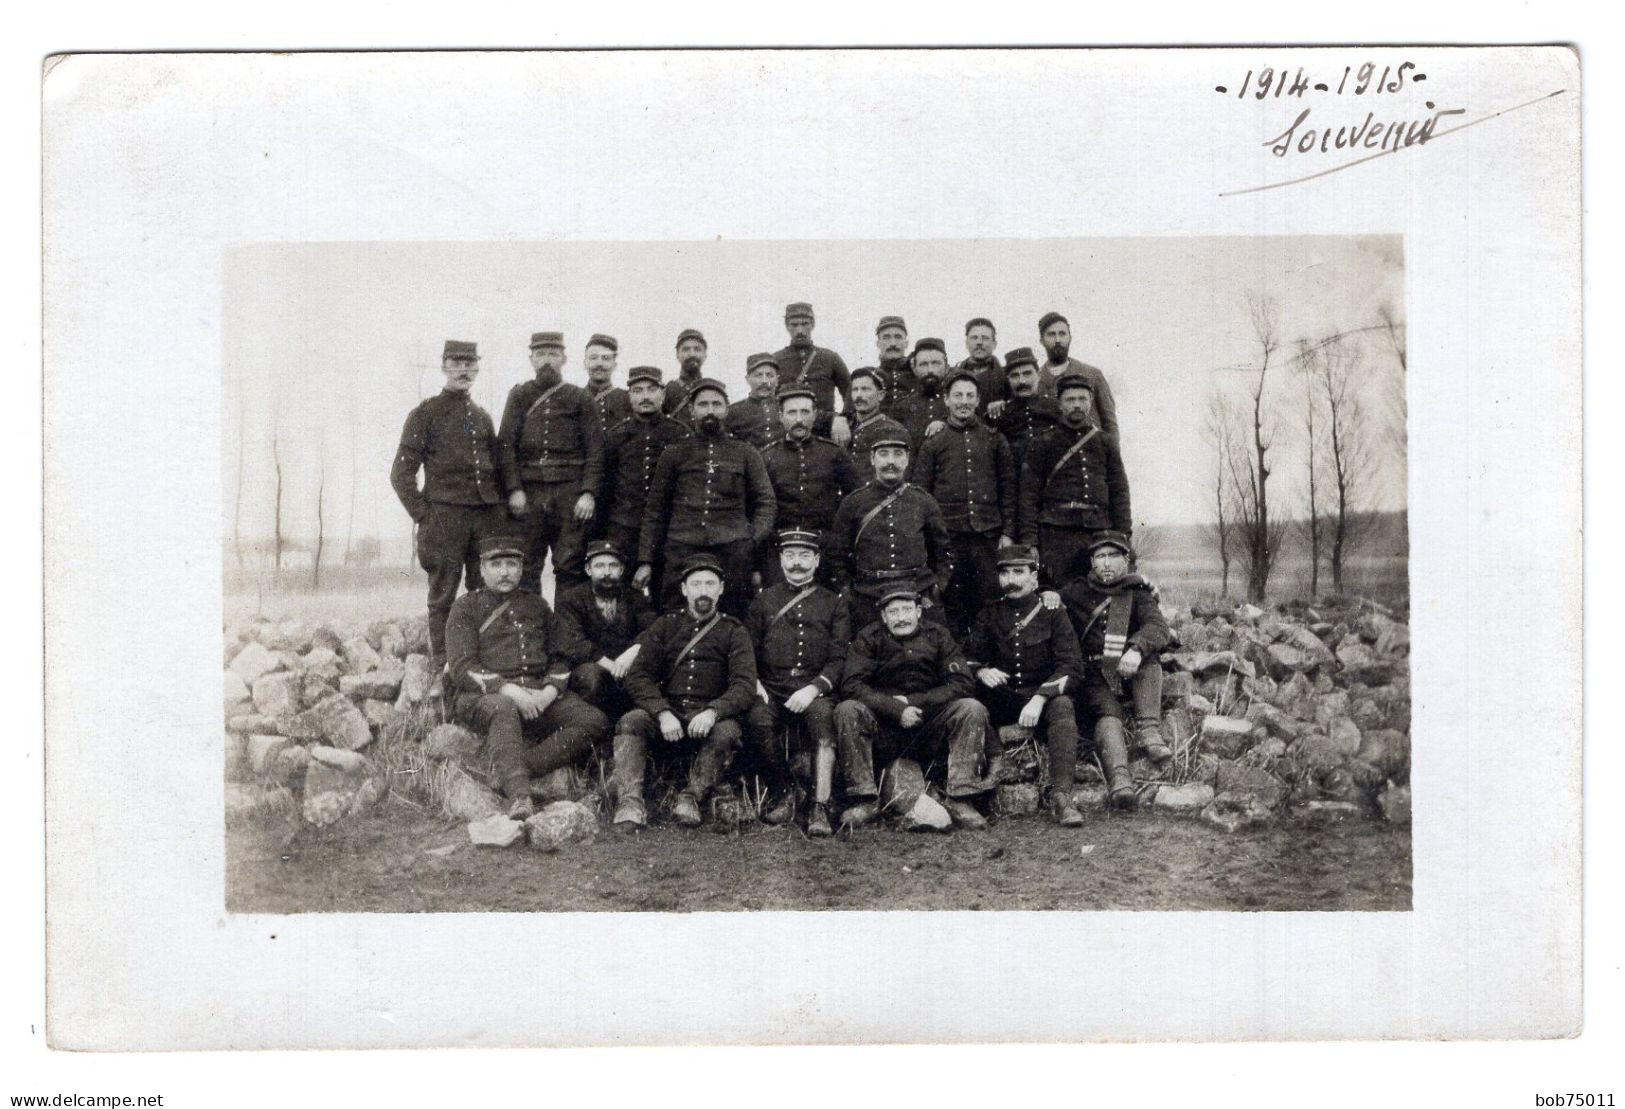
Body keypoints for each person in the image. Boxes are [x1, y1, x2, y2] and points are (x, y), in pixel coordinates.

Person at [445, 535, 611, 820]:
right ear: (482, 569)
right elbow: (462, 667)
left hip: (537, 693)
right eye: (496, 564)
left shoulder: (538, 606)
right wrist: (510, 690)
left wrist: (549, 691)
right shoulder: (466, 607)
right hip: (484, 697)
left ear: (522, 569)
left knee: (594, 721)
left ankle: (517, 769)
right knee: (503, 706)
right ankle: (520, 796)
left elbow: (561, 655)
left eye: (512, 564)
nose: (505, 571)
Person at [390, 340, 517, 665]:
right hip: (444, 517)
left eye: (470, 363)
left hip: (483, 519)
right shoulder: (426, 413)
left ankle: (482, 660)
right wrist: (424, 515)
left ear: (477, 367)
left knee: (484, 592)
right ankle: (442, 665)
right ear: (444, 366)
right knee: (443, 594)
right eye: (457, 362)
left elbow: (496, 470)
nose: (464, 369)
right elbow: (401, 474)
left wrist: (497, 512)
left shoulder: (482, 417)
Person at [611, 557, 759, 829]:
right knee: (632, 722)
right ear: (684, 590)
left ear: (721, 589)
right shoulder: (665, 626)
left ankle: (692, 796)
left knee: (728, 732)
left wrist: (714, 711)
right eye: (696, 584)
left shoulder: (734, 631)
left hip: (710, 719)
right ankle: (630, 802)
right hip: (669, 717)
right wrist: (662, 712)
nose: (703, 590)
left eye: (710, 584)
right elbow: (639, 675)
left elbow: (745, 685)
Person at [834, 588, 993, 830]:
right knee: (847, 709)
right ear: (884, 617)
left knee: (971, 708)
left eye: (907, 610)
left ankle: (961, 798)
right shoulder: (869, 638)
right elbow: (852, 684)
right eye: (893, 612)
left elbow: (962, 682)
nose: (901, 617)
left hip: (929, 725)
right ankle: (864, 799)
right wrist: (895, 709)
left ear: (918, 611)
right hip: (884, 729)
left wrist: (915, 703)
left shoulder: (938, 635)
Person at [962, 545, 1088, 826]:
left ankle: (1062, 798)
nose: (1011, 580)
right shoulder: (989, 615)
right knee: (971, 702)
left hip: (1039, 697)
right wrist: (982, 671)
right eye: (1004, 573)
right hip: (1003, 697)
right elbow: (966, 658)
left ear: (1034, 578)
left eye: (1019, 572)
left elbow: (1072, 666)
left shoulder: (1054, 613)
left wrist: (1041, 697)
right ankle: (976, 789)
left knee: (1063, 705)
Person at [742, 529, 851, 836]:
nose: (797, 563)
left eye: (804, 556)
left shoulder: (834, 603)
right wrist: (755, 684)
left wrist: (814, 688)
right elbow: (745, 651)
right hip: (772, 688)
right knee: (757, 719)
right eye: (789, 556)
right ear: (780, 559)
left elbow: (839, 659)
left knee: (822, 720)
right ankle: (786, 792)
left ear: (817, 560)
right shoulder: (764, 601)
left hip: (814, 688)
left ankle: (820, 805)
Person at [637, 378, 776, 616]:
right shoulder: (674, 453)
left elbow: (766, 502)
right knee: (675, 614)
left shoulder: (745, 453)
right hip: (682, 548)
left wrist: (750, 541)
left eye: (716, 404)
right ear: (691, 410)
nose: (710, 411)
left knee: (733, 614)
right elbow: (655, 509)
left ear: (726, 409)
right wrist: (645, 560)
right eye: (703, 405)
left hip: (732, 551)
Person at [1060, 532, 1172, 806]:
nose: (1107, 564)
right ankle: (1120, 782)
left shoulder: (1137, 593)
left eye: (1113, 556)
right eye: (1100, 557)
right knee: (1109, 715)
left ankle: (1149, 730)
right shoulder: (1075, 591)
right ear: (1092, 562)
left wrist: (1136, 649)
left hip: (1129, 669)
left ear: (1126, 561)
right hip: (1093, 675)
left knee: (1149, 659)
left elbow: (1158, 628)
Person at [912, 369, 1017, 635]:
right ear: (946, 400)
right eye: (957, 395)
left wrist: (1007, 533)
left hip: (987, 538)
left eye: (970, 395)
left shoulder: (994, 439)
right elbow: (921, 494)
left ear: (978, 399)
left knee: (989, 602)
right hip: (948, 539)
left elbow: (1008, 489)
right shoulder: (934, 442)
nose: (964, 401)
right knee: (951, 602)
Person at [497, 331, 603, 594]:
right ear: (531, 358)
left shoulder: (579, 397)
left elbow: (595, 449)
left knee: (569, 565)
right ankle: (532, 631)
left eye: (553, 354)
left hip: (570, 494)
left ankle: (565, 632)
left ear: (564, 358)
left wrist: (588, 493)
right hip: (530, 494)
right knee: (528, 565)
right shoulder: (519, 396)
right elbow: (506, 446)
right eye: (541, 354)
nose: (547, 360)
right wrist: (514, 489)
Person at [827, 432, 952, 633]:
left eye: (898, 454)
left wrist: (938, 587)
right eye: (884, 454)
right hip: (869, 595)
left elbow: (943, 550)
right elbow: (837, 553)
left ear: (907, 459)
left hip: (917, 590)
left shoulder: (923, 501)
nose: (891, 461)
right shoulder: (853, 503)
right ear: (872, 459)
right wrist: (848, 590)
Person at [1017, 372, 1131, 585]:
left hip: (1098, 531)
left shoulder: (1105, 442)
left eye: (1082, 399)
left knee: (1099, 591)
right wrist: (1030, 540)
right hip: (1056, 535)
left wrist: (1123, 535)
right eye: (1070, 399)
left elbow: (1119, 491)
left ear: (1090, 402)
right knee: (1059, 593)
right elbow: (1028, 496)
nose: (1077, 405)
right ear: (1060, 403)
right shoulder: (1043, 442)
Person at [757, 382, 862, 585]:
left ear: (814, 415)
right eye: (792, 412)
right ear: (780, 416)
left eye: (805, 412)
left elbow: (855, 498)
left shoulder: (834, 453)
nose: (799, 419)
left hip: (825, 548)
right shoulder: (766, 456)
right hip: (781, 548)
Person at [594, 365, 689, 573]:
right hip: (624, 526)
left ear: (663, 394)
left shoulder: (680, 434)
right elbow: (606, 487)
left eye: (651, 390)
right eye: (638, 391)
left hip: (667, 527)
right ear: (629, 396)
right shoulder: (615, 435)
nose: (645, 396)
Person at [554, 540, 658, 718]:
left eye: (613, 566)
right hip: (591, 667)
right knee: (591, 677)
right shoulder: (571, 599)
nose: (607, 572)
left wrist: (632, 652)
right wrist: (611, 666)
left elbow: (654, 629)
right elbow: (573, 642)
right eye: (600, 566)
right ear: (588, 570)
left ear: (622, 570)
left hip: (627, 665)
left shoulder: (634, 597)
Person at [774, 302, 852, 444]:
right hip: (789, 431)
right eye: (794, 325)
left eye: (805, 324)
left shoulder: (830, 358)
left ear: (813, 324)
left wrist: (842, 418)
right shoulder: (776, 360)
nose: (800, 330)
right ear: (787, 326)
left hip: (826, 431)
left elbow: (850, 391)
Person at [1037, 311, 1119, 435]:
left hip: (1093, 451)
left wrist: (1114, 453)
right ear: (1042, 341)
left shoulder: (1092, 374)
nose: (1058, 340)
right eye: (1051, 335)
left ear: (1070, 338)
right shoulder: (1037, 381)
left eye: (1062, 334)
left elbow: (1110, 423)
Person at [989, 347, 1061, 472]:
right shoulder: (1001, 413)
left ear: (1038, 375)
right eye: (1015, 376)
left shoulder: (1057, 408)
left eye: (1027, 373)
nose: (1022, 381)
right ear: (1008, 380)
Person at [890, 337, 952, 447]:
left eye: (936, 363)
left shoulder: (957, 403)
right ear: (914, 368)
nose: (930, 370)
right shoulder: (902, 407)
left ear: (947, 367)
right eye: (923, 364)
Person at [845, 367, 910, 461]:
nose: (858, 395)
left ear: (881, 395)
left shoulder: (893, 430)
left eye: (865, 389)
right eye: (855, 389)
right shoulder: (846, 425)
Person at [726, 352, 784, 448]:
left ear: (777, 380)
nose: (764, 381)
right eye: (758, 375)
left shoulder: (786, 408)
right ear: (748, 379)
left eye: (769, 375)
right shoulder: (733, 411)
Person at [583, 332, 632, 429]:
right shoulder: (574, 399)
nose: (599, 363)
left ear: (614, 365)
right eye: (593, 358)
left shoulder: (628, 400)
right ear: (585, 363)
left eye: (605, 358)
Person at [956, 317, 1004, 412]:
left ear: (994, 344)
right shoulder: (953, 375)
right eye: (974, 338)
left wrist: (1004, 404)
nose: (979, 342)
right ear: (966, 343)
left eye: (985, 338)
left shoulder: (1007, 376)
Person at [664, 328, 710, 424]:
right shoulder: (667, 391)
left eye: (697, 349)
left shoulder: (712, 390)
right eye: (686, 349)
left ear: (705, 355)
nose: (692, 354)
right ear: (677, 355)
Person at [873, 314, 916, 403]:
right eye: (886, 337)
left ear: (906, 343)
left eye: (898, 337)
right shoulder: (872, 376)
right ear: (878, 344)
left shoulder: (917, 374)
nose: (893, 343)